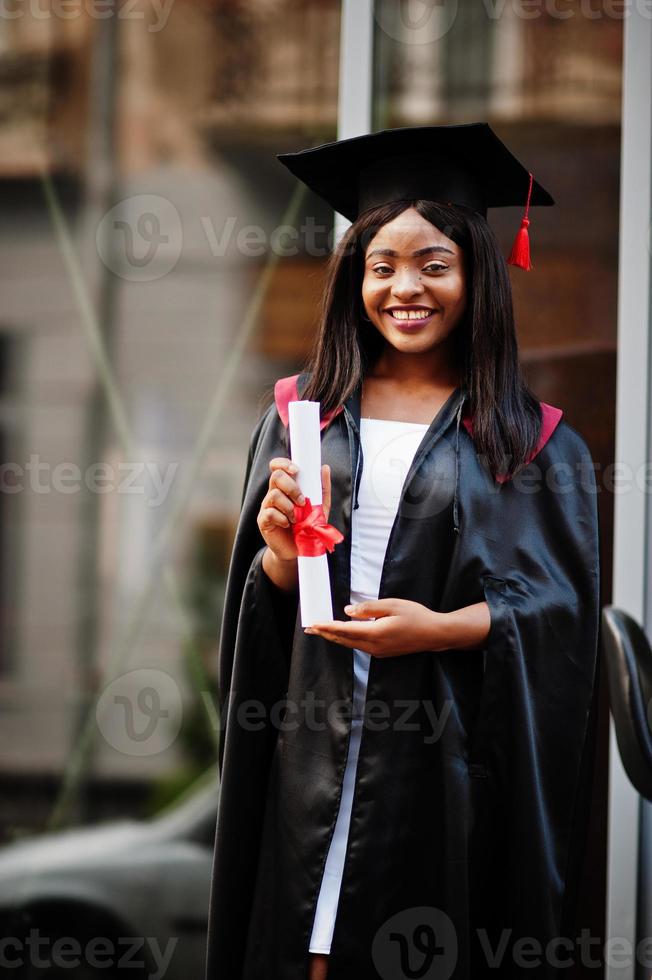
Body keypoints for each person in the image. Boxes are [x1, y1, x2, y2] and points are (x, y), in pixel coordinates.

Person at [204, 123, 601, 980]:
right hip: (311, 761)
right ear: (354, 279)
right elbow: (261, 605)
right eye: (381, 265)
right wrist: (276, 557)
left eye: (432, 264)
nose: (404, 288)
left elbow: (563, 619)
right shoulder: (300, 419)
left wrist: (443, 628)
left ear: (474, 277)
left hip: (442, 776)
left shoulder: (532, 443)